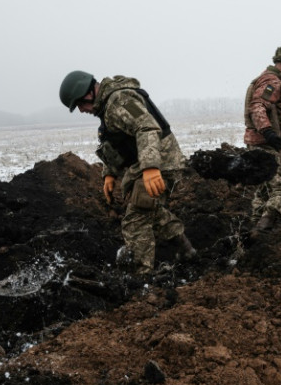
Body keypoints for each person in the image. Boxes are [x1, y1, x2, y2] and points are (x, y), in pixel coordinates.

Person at [59, 71, 196, 276]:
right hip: (148, 165)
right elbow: (116, 143)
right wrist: (109, 173)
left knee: (136, 220)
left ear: (88, 93)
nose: (81, 110)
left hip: (161, 164)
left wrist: (151, 167)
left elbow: (147, 127)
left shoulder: (119, 100)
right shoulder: (108, 107)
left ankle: (142, 278)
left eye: (80, 104)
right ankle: (188, 251)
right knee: (154, 212)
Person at [243, 44, 281, 234]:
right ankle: (259, 233)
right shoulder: (273, 83)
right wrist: (268, 131)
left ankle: (250, 232)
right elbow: (258, 106)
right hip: (267, 146)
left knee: (264, 192)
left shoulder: (269, 80)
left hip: (259, 144)